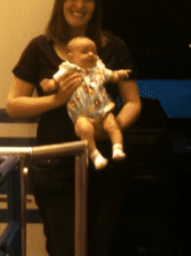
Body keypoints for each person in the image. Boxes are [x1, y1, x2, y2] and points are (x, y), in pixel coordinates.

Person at [6, 0, 141, 256]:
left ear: (96, 6)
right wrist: (58, 100)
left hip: (103, 171)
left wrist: (112, 124)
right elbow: (13, 105)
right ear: (60, 2)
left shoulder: (111, 47)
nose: (80, 5)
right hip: (57, 172)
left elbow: (133, 101)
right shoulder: (41, 50)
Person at [47, 36, 131, 169]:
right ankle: (94, 154)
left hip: (103, 109)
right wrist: (50, 84)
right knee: (85, 129)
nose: (91, 54)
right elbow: (55, 80)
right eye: (85, 51)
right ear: (71, 57)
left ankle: (117, 148)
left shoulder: (99, 68)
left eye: (94, 51)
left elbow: (112, 76)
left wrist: (119, 74)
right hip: (81, 115)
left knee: (112, 125)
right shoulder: (68, 69)